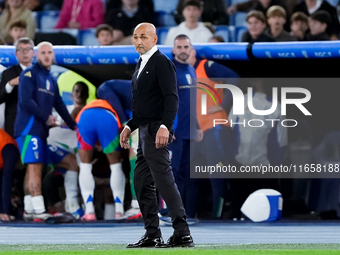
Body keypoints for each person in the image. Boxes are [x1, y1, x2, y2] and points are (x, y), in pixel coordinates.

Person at [120, 22, 193, 248]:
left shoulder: (161, 62)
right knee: (142, 182)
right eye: (135, 37)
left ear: (154, 39)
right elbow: (145, 104)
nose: (138, 41)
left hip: (155, 131)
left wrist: (165, 126)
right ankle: (152, 234)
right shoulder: (142, 63)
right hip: (145, 131)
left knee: (164, 181)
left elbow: (171, 97)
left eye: (143, 36)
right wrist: (130, 125)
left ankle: (182, 233)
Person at [14, 41, 77, 220]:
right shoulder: (29, 74)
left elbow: (59, 104)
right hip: (28, 129)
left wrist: (73, 125)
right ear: (36, 55)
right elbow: (26, 101)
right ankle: (39, 210)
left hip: (40, 131)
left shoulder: (51, 79)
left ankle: (29, 209)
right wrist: (47, 118)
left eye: (50, 52)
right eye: (43, 53)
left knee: (32, 168)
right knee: (35, 168)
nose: (47, 56)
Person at [187, 47, 239, 219]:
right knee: (190, 175)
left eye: (186, 48)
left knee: (216, 173)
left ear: (193, 52)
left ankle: (219, 217)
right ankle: (187, 216)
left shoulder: (206, 66)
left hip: (215, 126)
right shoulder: (182, 75)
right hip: (198, 131)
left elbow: (234, 78)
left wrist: (223, 105)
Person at [167, 34, 202, 219]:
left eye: (185, 47)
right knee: (174, 173)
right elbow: (165, 100)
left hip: (189, 131)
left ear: (190, 49)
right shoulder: (169, 70)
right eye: (179, 47)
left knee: (189, 174)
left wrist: (196, 126)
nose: (182, 51)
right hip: (175, 132)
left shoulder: (191, 70)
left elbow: (191, 101)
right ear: (173, 50)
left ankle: (186, 214)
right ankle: (172, 213)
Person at [76, 99, 125, 220]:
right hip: (107, 117)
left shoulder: (85, 109)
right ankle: (119, 210)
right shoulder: (114, 106)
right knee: (116, 166)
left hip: (85, 117)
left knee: (85, 166)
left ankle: (89, 211)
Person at [0, 37, 34, 138]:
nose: (25, 53)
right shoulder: (8, 73)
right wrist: (10, 84)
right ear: (16, 53)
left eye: (28, 49)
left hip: (36, 124)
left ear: (33, 52)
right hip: (14, 125)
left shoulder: (40, 73)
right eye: (21, 50)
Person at [0, 128, 19, 221]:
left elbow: (6, 179)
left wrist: (5, 211)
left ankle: (6, 211)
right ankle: (4, 211)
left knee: (6, 179)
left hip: (8, 147)